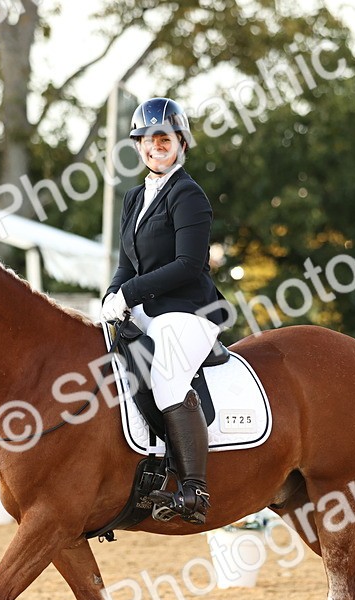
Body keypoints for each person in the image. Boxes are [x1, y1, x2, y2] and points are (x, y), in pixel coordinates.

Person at [100, 97, 227, 525]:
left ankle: (194, 490)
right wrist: (112, 294)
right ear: (138, 146)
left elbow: (189, 264)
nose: (156, 145)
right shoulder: (134, 198)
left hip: (189, 312)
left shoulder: (189, 195)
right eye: (147, 139)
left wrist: (130, 293)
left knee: (168, 378)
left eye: (164, 138)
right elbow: (126, 262)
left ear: (181, 142)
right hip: (145, 311)